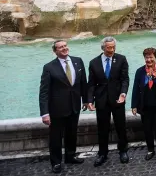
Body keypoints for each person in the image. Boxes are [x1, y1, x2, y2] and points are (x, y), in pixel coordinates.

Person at [39, 40, 88, 173]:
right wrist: (44, 113)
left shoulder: (78, 61)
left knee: (71, 133)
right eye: (60, 47)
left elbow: (83, 82)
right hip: (56, 109)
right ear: (55, 51)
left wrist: (86, 100)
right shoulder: (49, 67)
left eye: (65, 46)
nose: (64, 48)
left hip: (74, 105)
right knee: (55, 137)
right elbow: (44, 92)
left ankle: (70, 156)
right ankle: (56, 162)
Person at [87, 36, 130, 166]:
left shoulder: (121, 59)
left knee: (121, 127)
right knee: (102, 128)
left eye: (113, 47)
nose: (111, 50)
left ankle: (123, 151)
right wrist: (90, 100)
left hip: (118, 99)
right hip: (101, 100)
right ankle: (102, 154)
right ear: (103, 48)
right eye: (108, 47)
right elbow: (91, 84)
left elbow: (125, 79)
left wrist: (123, 93)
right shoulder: (94, 62)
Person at [131, 48, 156, 161]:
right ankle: (150, 150)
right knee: (147, 129)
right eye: (146, 57)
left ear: (155, 57)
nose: (149, 60)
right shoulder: (140, 71)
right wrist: (134, 105)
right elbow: (135, 88)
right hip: (145, 106)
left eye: (151, 57)